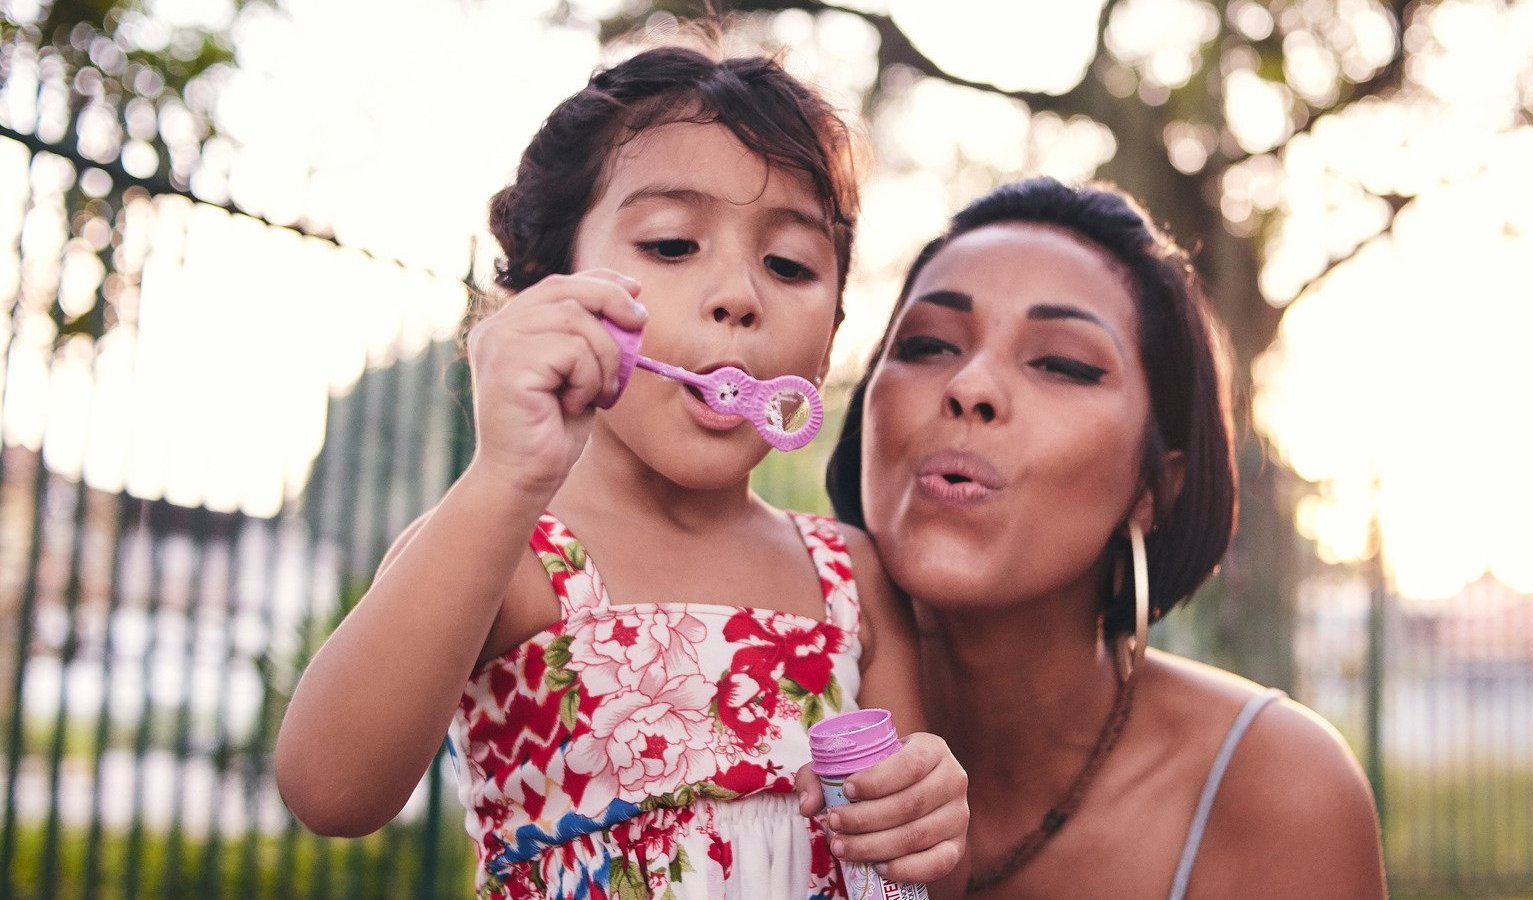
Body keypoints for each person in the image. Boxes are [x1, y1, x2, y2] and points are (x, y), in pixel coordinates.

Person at [275, 45, 969, 900]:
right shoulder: (505, 547)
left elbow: (911, 872)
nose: (739, 294)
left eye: (790, 265)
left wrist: (927, 811)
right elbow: (331, 790)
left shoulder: (850, 580)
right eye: (673, 243)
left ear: (830, 336)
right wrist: (506, 476)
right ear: (549, 289)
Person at [827, 177, 1386, 899]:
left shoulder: (1277, 790)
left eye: (1061, 363)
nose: (971, 386)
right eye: (929, 344)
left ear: (1155, 487)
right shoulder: (744, 717)